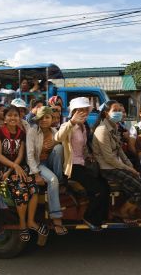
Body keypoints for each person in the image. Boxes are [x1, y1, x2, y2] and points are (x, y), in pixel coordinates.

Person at [0, 106, 48, 241]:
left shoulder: (21, 133)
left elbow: (21, 153)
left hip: (18, 166)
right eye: (10, 115)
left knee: (34, 189)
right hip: (5, 169)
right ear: (4, 118)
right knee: (21, 192)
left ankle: (30, 221)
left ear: (19, 118)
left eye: (16, 115)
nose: (13, 118)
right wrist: (12, 168)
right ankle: (22, 224)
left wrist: (16, 166)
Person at [55, 97, 110, 230]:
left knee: (105, 186)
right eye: (80, 110)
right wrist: (72, 122)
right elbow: (58, 137)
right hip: (72, 167)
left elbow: (83, 147)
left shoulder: (83, 127)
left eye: (86, 110)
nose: (84, 112)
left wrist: (89, 156)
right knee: (98, 190)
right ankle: (89, 217)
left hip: (83, 164)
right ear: (73, 112)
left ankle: (101, 216)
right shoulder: (68, 125)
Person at [92, 100, 141, 221]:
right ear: (106, 113)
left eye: (120, 110)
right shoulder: (102, 130)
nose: (119, 113)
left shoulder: (114, 127)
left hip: (116, 166)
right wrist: (128, 168)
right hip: (107, 168)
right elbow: (109, 158)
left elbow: (120, 152)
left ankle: (127, 212)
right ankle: (122, 211)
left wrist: (131, 167)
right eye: (115, 110)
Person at [26, 106, 67, 235]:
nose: (44, 120)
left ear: (51, 119)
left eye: (47, 117)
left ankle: (59, 183)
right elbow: (30, 155)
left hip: (51, 163)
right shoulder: (32, 131)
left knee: (59, 148)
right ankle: (56, 218)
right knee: (53, 180)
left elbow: (63, 150)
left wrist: (55, 143)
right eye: (41, 118)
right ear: (37, 119)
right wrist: (36, 174)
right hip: (38, 164)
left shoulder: (55, 131)